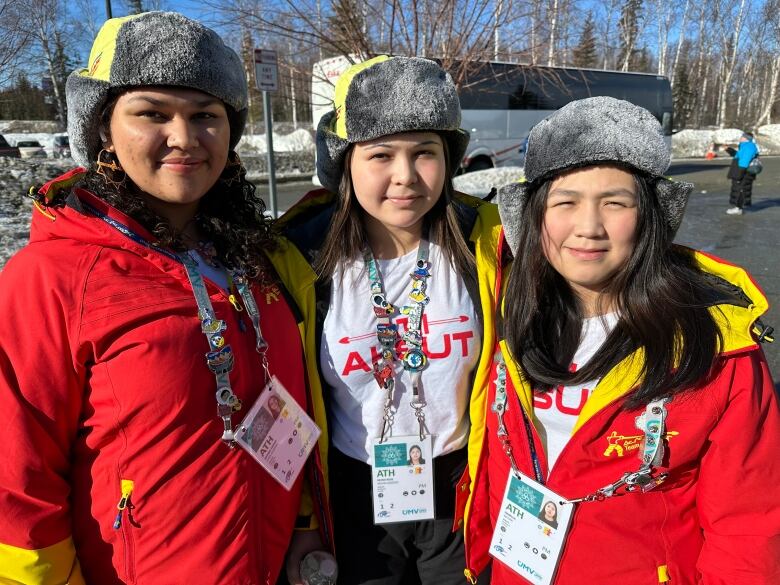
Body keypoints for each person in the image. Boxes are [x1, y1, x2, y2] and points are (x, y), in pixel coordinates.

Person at [0, 12, 328, 585]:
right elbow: (16, 477)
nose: (183, 138)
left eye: (206, 115)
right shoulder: (50, 276)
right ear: (103, 128)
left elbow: (287, 407)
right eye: (151, 113)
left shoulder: (261, 260)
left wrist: (304, 525)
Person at [461, 97, 780, 583]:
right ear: (536, 215)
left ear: (648, 214)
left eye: (615, 202)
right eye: (565, 202)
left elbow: (748, 525)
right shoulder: (511, 313)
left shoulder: (716, 350)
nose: (588, 228)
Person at [277, 56, 502, 585]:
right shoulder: (300, 258)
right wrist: (306, 516)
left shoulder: (486, 245)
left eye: (424, 152)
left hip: (457, 484)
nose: (405, 177)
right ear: (344, 164)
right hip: (355, 492)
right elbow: (285, 395)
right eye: (381, 154)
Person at [725, 131, 759, 215]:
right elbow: (738, 155)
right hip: (742, 171)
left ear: (746, 138)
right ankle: (739, 208)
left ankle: (738, 208)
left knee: (741, 189)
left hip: (744, 172)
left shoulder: (749, 147)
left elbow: (744, 161)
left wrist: (739, 174)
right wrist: (729, 150)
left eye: (742, 137)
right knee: (740, 189)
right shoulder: (745, 146)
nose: (740, 138)